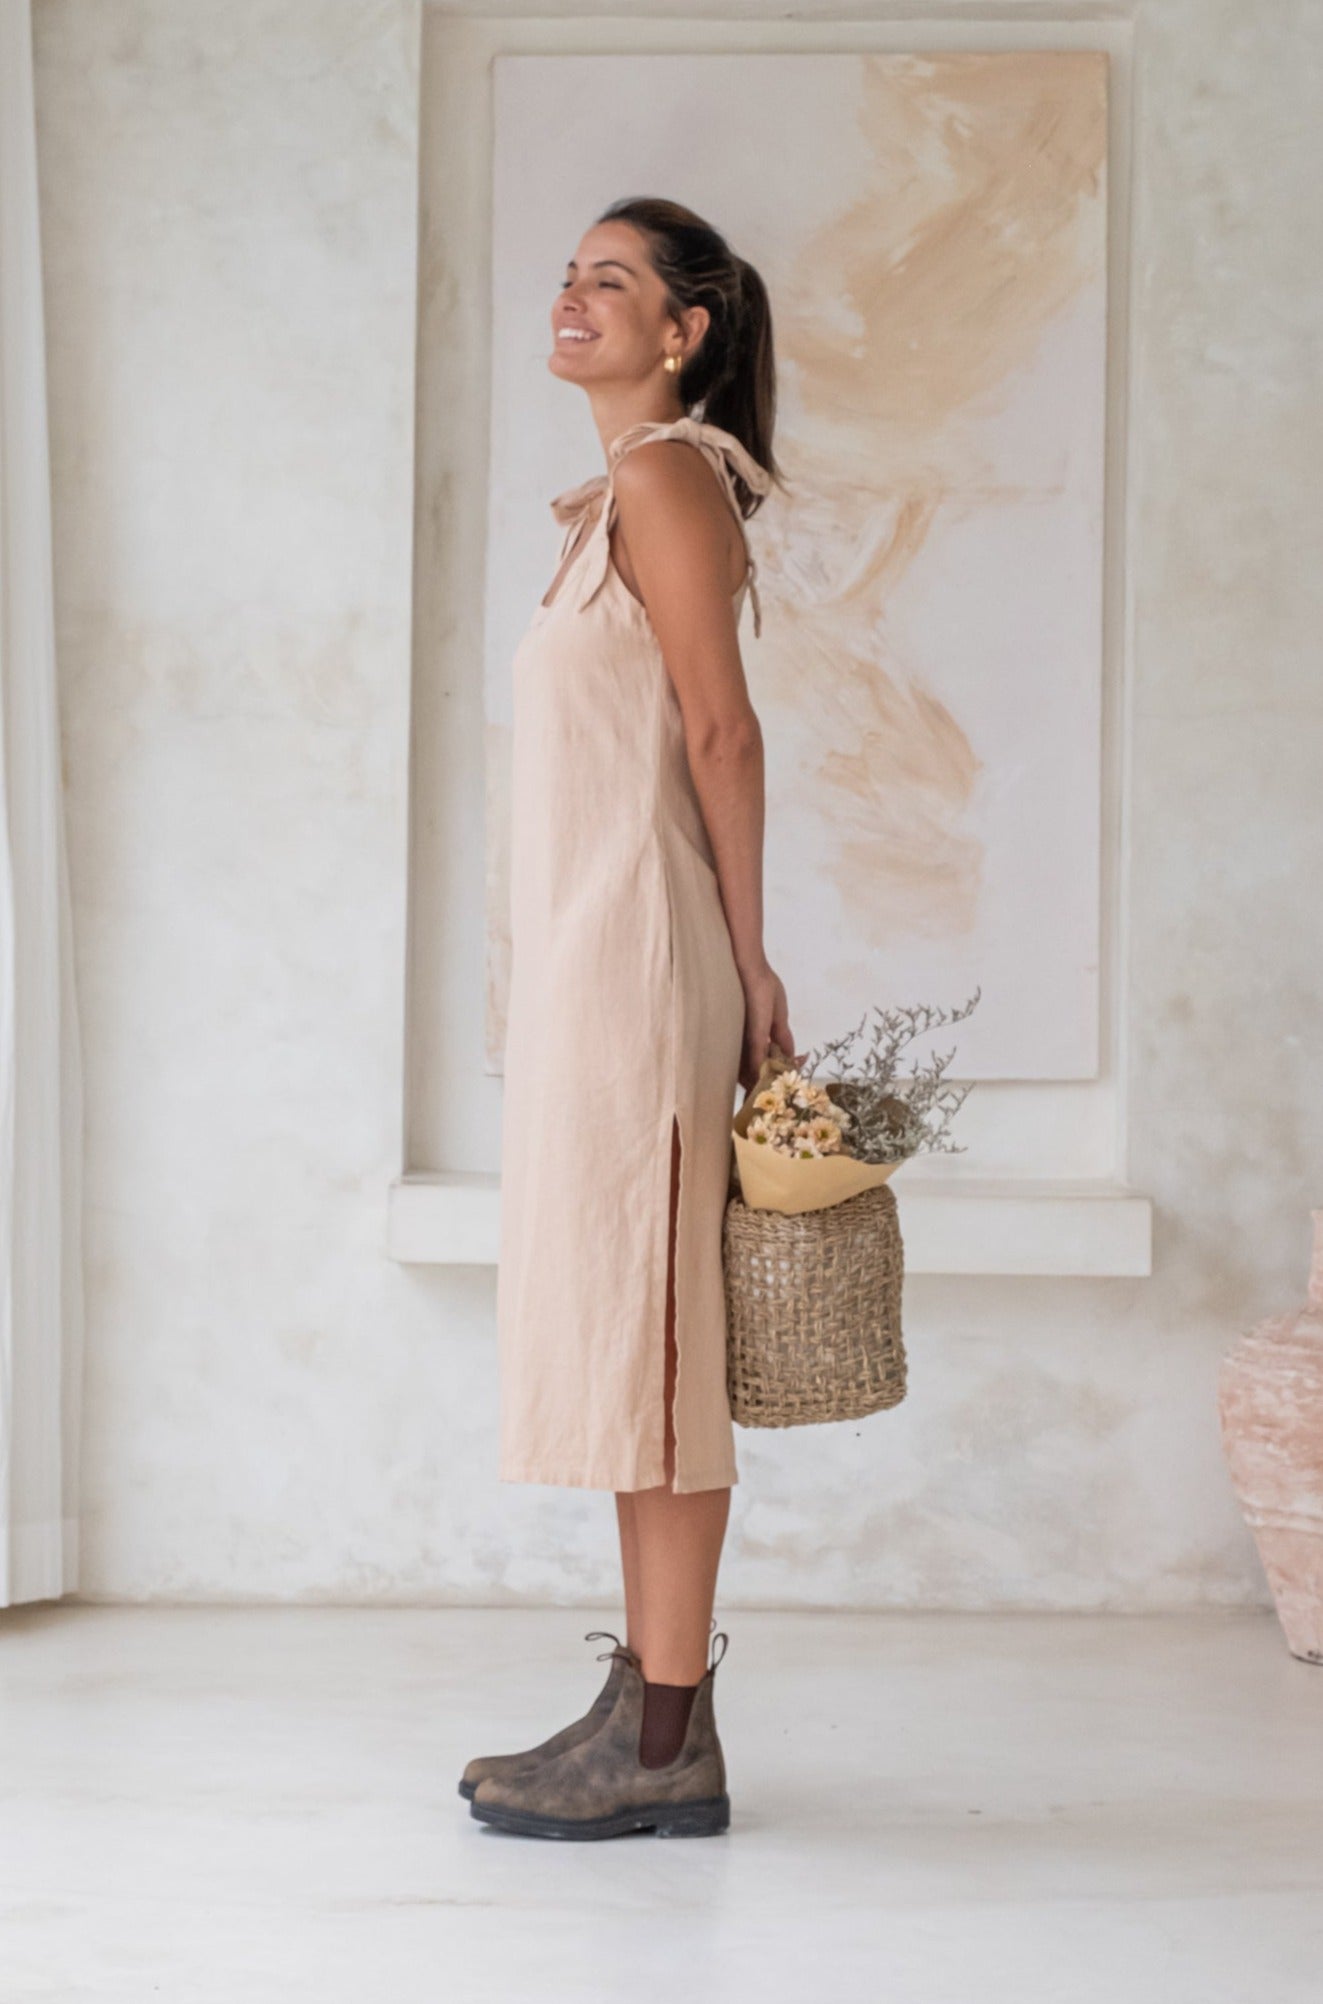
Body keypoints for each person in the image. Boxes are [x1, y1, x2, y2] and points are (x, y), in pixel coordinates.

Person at [464, 197, 797, 1841]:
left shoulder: (668, 475)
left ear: (687, 331)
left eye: (616, 280)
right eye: (569, 271)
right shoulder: (617, 494)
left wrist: (752, 967)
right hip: (600, 975)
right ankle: (647, 1701)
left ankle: (667, 1739)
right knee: (630, 1339)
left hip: (653, 968)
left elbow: (722, 738)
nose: (574, 295)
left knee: (663, 1352)